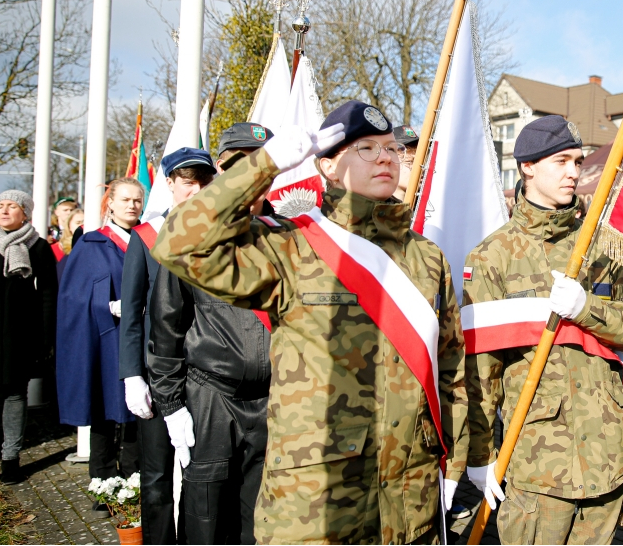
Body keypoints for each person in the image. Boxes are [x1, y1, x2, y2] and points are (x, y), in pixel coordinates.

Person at [152, 101, 468, 544]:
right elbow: (179, 246)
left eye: (391, 148)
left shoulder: (427, 257)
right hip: (318, 502)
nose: (385, 158)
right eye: (364, 148)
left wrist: (455, 461)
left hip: (408, 499)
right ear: (328, 167)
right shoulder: (294, 244)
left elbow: (450, 368)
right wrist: (266, 164)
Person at [463, 115, 623, 545]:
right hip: (538, 464)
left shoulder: (603, 245)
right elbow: (481, 370)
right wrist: (480, 456)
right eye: (562, 161)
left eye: (578, 160)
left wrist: (588, 309)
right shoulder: (494, 256)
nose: (575, 171)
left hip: (610, 455)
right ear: (528, 167)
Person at [147, 140, 269, 545]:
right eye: (236, 166)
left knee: (262, 518)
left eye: (258, 165)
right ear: (220, 173)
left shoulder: (285, 238)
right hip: (212, 399)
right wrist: (171, 405)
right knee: (206, 516)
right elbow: (166, 329)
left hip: (273, 402)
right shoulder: (189, 239)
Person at [119, 147, 215, 545]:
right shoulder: (147, 236)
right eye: (187, 181)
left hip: (207, 377)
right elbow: (132, 312)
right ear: (170, 184)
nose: (196, 189)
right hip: (159, 376)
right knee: (156, 477)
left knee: (205, 476)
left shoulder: (222, 233)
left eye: (203, 180)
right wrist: (131, 375)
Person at [57, 179, 144, 490]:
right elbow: (71, 296)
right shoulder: (91, 243)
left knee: (139, 411)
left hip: (141, 337)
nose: (132, 205)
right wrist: (105, 305)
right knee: (105, 409)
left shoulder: (149, 240)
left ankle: (136, 480)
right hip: (106, 337)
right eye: (125, 199)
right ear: (110, 203)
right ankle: (103, 479)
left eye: (137, 199)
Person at [0, 191, 58, 485]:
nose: (5, 211)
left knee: (14, 394)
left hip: (19, 335)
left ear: (25, 213)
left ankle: (10, 460)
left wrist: (45, 339)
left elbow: (47, 295)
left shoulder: (39, 248)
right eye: (0, 206)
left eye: (12, 206)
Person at [392, 124, 419, 201]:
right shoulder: (372, 209)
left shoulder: (428, 208)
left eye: (422, 162)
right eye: (410, 162)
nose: (421, 168)